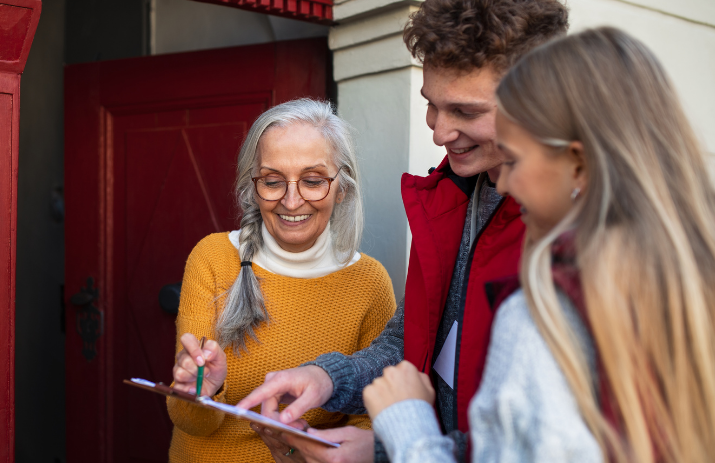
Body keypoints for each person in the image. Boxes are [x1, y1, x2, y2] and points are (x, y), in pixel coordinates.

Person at [364, 27, 715, 463]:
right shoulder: (684, 270)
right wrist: (336, 378)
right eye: (431, 106)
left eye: (514, 159)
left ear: (578, 163)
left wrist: (404, 428)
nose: (439, 132)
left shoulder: (541, 307)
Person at [238, 1, 568, 461]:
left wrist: (390, 449)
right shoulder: (450, 196)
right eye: (432, 106)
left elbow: (547, 441)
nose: (440, 132)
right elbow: (411, 344)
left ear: (535, 101)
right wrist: (327, 379)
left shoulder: (570, 232)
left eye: (466, 112)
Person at [167, 98, 397, 463]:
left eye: (312, 180)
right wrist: (202, 392)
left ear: (342, 189)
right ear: (252, 188)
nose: (291, 201)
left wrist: (300, 447)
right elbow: (189, 420)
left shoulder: (369, 283)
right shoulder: (212, 258)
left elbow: (371, 420)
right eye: (273, 181)